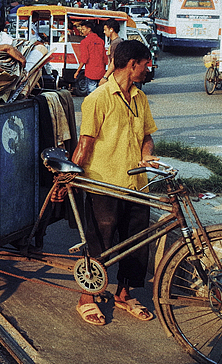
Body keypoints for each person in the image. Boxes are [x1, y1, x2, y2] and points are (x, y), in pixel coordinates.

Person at [70, 39, 158, 326]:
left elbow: (147, 136)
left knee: (136, 243)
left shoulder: (140, 98)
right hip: (104, 184)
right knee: (100, 242)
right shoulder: (98, 98)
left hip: (136, 184)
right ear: (132, 64)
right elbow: (85, 143)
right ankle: (87, 297)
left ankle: (123, 294)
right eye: (145, 65)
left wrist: (147, 154)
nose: (147, 70)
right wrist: (68, 177)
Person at [74, 20, 106, 95]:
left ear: (89, 29)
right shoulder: (101, 41)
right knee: (100, 94)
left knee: (92, 95)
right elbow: (104, 58)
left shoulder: (85, 42)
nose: (82, 31)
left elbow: (84, 58)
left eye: (83, 29)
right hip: (101, 72)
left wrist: (77, 71)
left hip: (91, 72)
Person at [99, 18, 121, 86]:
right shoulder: (116, 42)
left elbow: (113, 63)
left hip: (116, 76)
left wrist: (105, 77)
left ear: (111, 29)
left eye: (105, 30)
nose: (104, 32)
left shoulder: (116, 43)